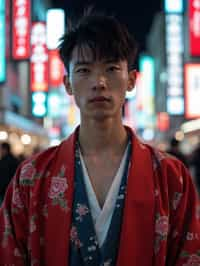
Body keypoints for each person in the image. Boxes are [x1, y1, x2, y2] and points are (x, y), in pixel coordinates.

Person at [0, 10, 200, 266]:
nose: (99, 82)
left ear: (131, 80)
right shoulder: (31, 177)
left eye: (111, 68)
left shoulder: (172, 177)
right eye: (84, 70)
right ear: (67, 84)